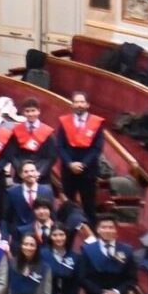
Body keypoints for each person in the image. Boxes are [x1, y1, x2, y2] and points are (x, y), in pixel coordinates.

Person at [57, 91, 105, 224]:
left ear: (88, 104)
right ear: (72, 105)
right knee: (68, 205)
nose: (79, 105)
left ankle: (91, 237)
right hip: (68, 171)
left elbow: (97, 148)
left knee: (89, 206)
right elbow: (60, 146)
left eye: (82, 102)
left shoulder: (96, 123)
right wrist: (70, 164)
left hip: (88, 171)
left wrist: (83, 164)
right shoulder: (64, 122)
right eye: (76, 102)